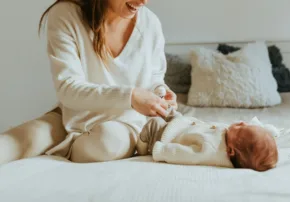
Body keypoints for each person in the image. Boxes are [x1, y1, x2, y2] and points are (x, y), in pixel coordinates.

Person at [0, 0, 178, 165]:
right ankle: (68, 142)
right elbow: (68, 89)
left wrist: (160, 92)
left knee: (106, 141)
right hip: (72, 115)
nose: (143, 1)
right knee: (17, 141)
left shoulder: (150, 23)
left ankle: (68, 147)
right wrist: (131, 96)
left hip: (126, 122)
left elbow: (153, 76)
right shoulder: (65, 14)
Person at [137, 93, 279, 171]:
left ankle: (142, 149)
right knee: (166, 109)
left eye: (241, 128)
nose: (242, 123)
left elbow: (185, 154)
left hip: (168, 134)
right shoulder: (232, 139)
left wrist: (161, 151)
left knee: (152, 124)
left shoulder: (210, 150)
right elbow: (253, 136)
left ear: (230, 151)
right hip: (183, 123)